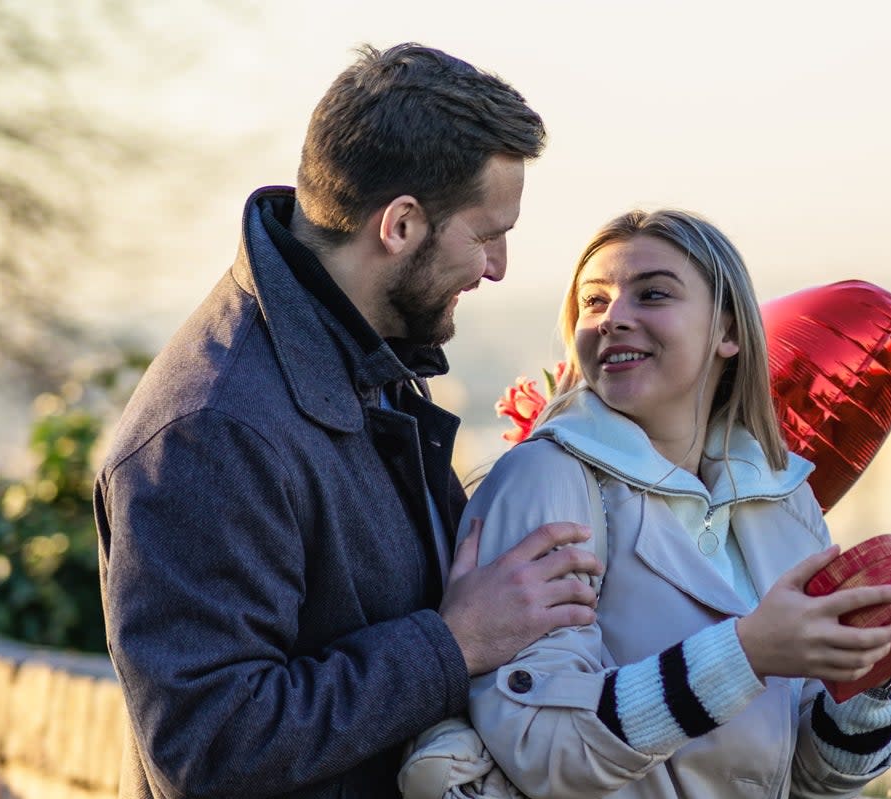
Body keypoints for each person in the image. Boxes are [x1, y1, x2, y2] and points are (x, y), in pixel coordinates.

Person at [93, 43, 603, 799]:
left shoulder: (367, 361)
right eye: (487, 232)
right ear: (398, 225)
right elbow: (210, 746)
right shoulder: (210, 429)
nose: (496, 266)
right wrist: (455, 642)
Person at [461, 209, 891, 798]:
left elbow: (816, 779)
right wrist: (747, 654)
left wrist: (873, 674)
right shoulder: (547, 480)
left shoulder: (782, 499)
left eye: (653, 295)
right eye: (593, 302)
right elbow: (545, 747)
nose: (614, 319)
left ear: (728, 333)